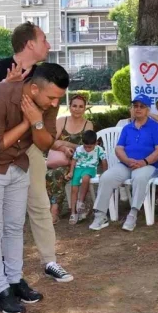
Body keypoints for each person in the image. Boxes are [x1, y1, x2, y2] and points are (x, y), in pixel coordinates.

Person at [0, 63, 68, 313]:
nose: (55, 104)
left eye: (58, 99)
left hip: (17, 167)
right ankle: (0, 292)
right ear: (33, 88)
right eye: (52, 97)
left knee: (13, 227)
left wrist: (38, 123)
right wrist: (27, 123)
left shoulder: (46, 104)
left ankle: (14, 281)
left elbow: (44, 143)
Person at [0, 22, 71, 283]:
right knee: (2, 218)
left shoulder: (46, 77)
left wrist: (52, 140)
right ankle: (2, 269)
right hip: (0, 150)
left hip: (28, 150)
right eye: (44, 39)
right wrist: (5, 85)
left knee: (40, 205)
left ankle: (49, 260)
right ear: (30, 43)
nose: (49, 44)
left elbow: (46, 135)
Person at [89, 94, 158, 232]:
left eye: (142, 106)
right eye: (135, 106)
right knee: (106, 177)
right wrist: (126, 160)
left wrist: (144, 161)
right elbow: (119, 148)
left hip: (148, 165)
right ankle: (100, 215)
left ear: (148, 110)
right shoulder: (127, 128)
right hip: (126, 164)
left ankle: (133, 213)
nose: (138, 109)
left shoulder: (155, 127)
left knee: (139, 177)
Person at [45, 94, 93, 223]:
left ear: (84, 108)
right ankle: (53, 207)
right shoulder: (62, 121)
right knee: (49, 174)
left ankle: (54, 210)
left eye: (81, 106)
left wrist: (66, 144)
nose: (77, 109)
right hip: (59, 159)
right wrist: (64, 149)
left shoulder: (88, 125)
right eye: (74, 106)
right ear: (70, 107)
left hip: (79, 162)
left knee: (56, 173)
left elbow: (87, 146)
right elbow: (51, 142)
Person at [67, 130, 108, 224]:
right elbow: (74, 160)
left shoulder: (99, 149)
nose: (87, 149)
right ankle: (73, 212)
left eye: (90, 147)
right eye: (85, 146)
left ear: (96, 143)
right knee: (74, 189)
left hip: (90, 168)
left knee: (86, 178)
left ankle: (80, 202)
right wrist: (71, 172)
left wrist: (105, 173)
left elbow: (104, 161)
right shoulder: (79, 149)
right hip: (78, 168)